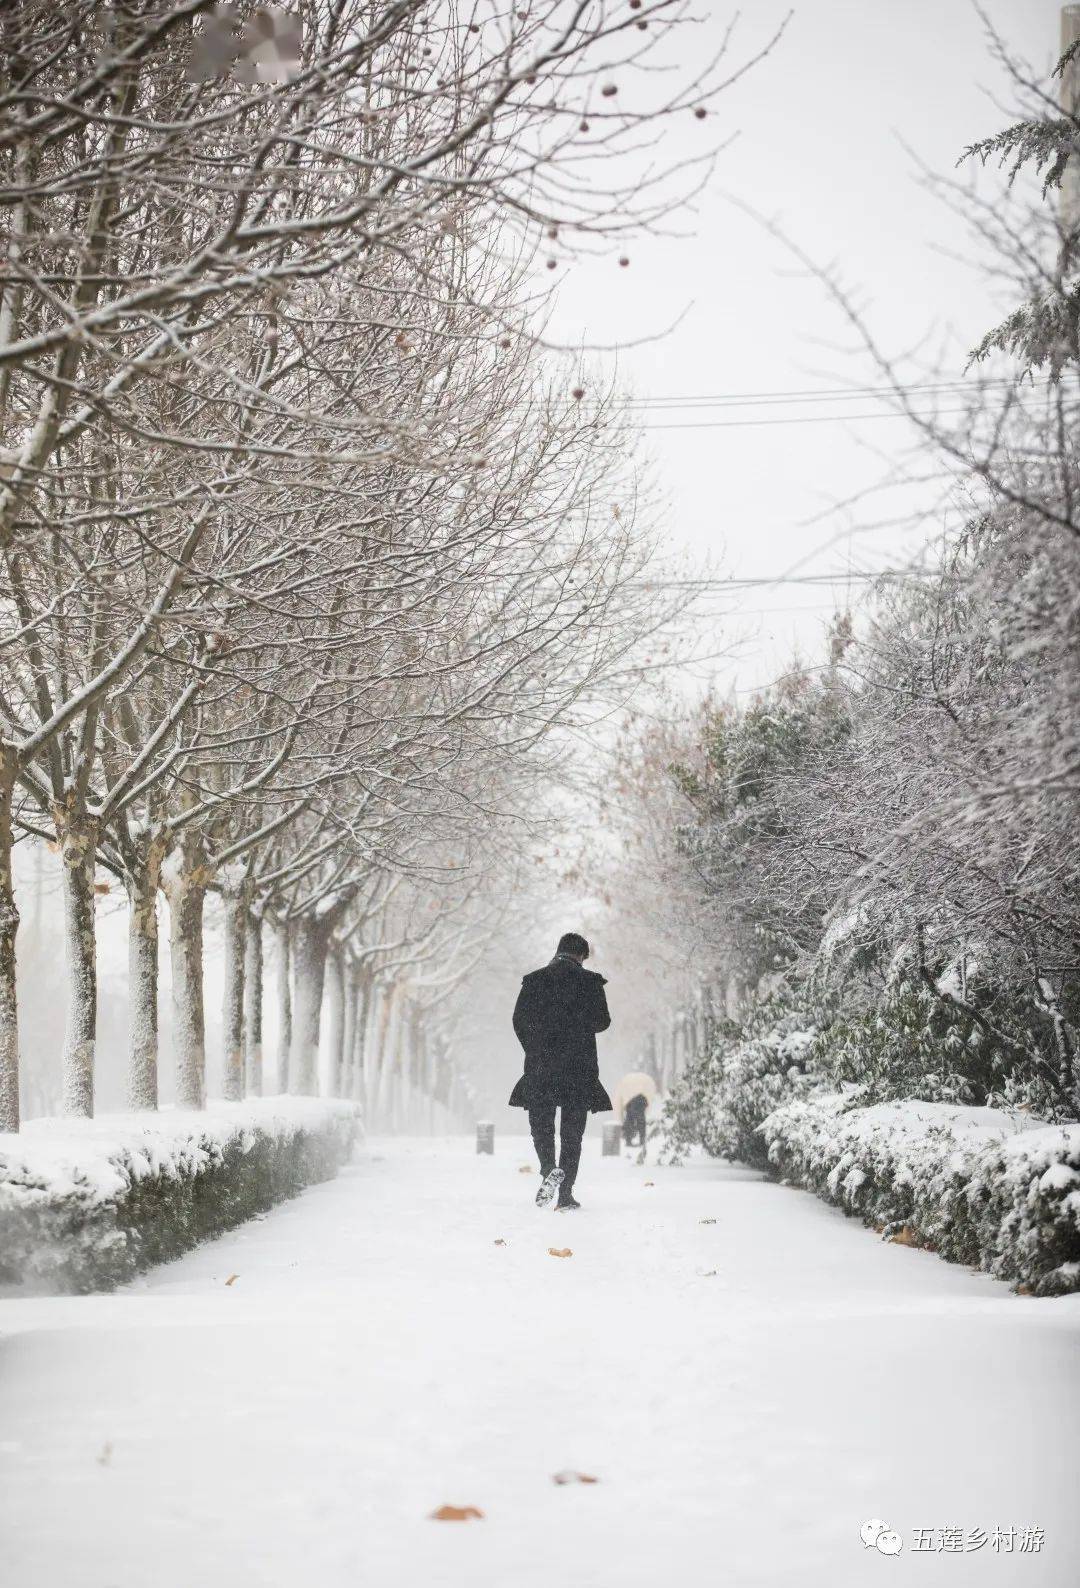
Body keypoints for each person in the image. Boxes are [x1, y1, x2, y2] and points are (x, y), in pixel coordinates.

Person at [508, 932, 612, 1210]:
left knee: (541, 1124)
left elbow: (519, 1021)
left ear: (558, 950)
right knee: (572, 1133)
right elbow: (602, 1022)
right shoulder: (590, 982)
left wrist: (535, 1046)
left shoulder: (534, 980)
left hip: (542, 1065)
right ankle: (565, 1195)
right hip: (579, 1067)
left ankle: (548, 1168)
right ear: (582, 956)